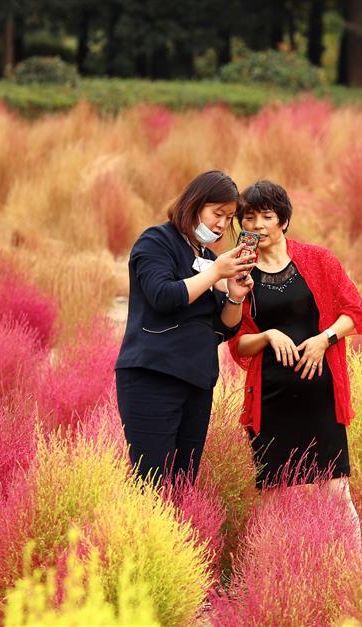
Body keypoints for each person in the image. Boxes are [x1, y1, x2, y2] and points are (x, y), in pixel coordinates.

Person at [228, 180, 362, 531]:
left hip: (320, 399)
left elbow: (356, 312)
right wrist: (267, 335)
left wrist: (325, 339)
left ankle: (352, 571)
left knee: (337, 494)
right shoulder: (240, 273)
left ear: (284, 221)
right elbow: (238, 344)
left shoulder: (318, 260)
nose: (257, 225)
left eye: (267, 216)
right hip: (272, 401)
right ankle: (269, 570)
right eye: (248, 218)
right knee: (271, 500)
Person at [116, 170, 256, 484]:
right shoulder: (156, 241)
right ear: (194, 204)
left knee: (183, 483)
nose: (222, 224)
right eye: (217, 213)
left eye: (229, 217)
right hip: (152, 377)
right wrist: (216, 272)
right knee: (152, 483)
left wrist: (234, 296)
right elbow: (163, 296)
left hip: (196, 383)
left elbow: (225, 329)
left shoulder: (208, 257)